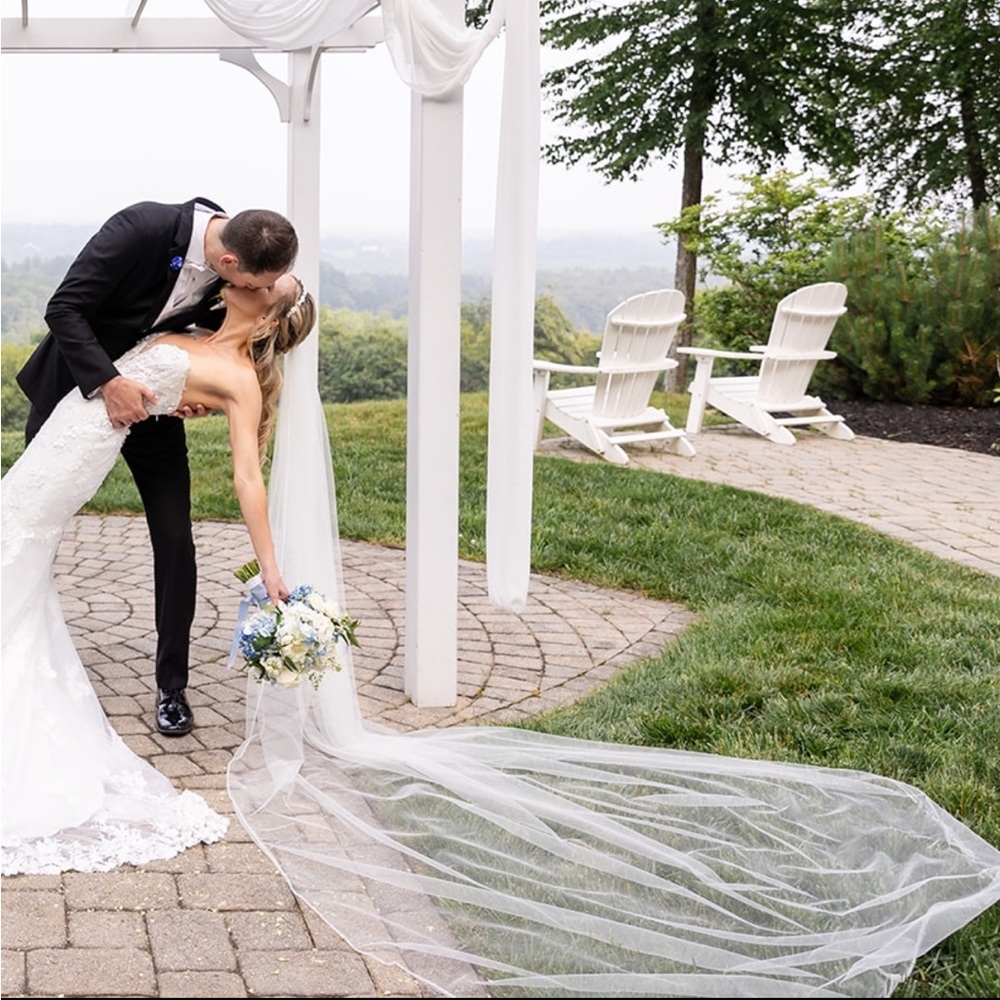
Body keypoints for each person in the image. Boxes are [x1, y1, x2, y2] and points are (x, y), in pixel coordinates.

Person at [1, 274, 317, 876]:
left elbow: (248, 480)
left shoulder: (242, 382)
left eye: (273, 285)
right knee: (14, 546)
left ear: (272, 319)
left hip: (78, 455)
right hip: (66, 427)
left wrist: (271, 567)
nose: (256, 281)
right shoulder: (193, 325)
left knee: (14, 536)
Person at [15, 198, 299, 737]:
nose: (262, 291)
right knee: (31, 524)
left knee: (175, 540)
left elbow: (221, 338)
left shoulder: (246, 256)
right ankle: (23, 639)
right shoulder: (143, 228)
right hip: (79, 396)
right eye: (262, 283)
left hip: (156, 411)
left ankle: (172, 687)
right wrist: (111, 382)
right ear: (231, 266)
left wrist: (190, 389)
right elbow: (65, 309)